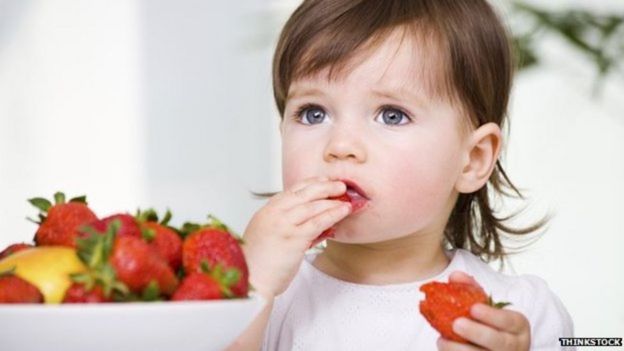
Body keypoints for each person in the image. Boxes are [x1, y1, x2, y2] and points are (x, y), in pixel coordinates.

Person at [229, 0, 574, 350]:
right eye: (313, 113)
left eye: (391, 115)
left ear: (471, 159)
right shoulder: (268, 298)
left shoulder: (519, 316)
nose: (340, 145)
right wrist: (247, 287)